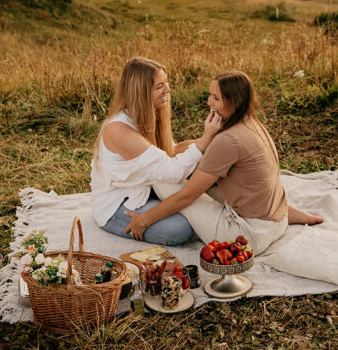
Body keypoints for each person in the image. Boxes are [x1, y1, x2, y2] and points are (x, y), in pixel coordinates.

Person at [124, 70, 322, 256]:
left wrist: (144, 219)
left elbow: (186, 197)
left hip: (246, 237)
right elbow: (194, 148)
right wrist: (193, 141)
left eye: (216, 98)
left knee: (161, 179)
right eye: (210, 95)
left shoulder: (227, 141)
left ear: (234, 102)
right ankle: (290, 213)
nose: (209, 102)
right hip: (277, 222)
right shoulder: (251, 124)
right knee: (194, 169)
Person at [91, 56, 223, 246]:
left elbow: (171, 152)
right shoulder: (119, 130)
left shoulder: (146, 114)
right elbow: (173, 170)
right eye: (159, 86)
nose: (167, 90)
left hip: (147, 190)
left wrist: (213, 139)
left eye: (166, 83)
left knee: (196, 181)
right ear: (141, 92)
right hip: (119, 205)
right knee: (180, 228)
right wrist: (205, 140)